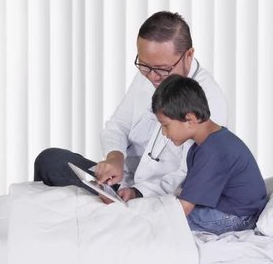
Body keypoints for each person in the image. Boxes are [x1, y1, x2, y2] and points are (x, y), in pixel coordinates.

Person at [34, 11, 228, 202]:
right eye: (144, 66)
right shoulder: (150, 77)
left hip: (156, 196)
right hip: (123, 182)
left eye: (162, 69)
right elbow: (119, 125)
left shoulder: (209, 100)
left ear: (188, 55)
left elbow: (188, 177)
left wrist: (136, 192)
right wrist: (115, 158)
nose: (152, 76)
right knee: (49, 160)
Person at [152, 74, 267, 235]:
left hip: (239, 217)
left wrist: (149, 219)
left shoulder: (213, 151)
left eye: (165, 125)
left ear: (190, 120)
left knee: (164, 224)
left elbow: (184, 208)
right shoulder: (206, 144)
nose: (164, 133)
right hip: (237, 209)